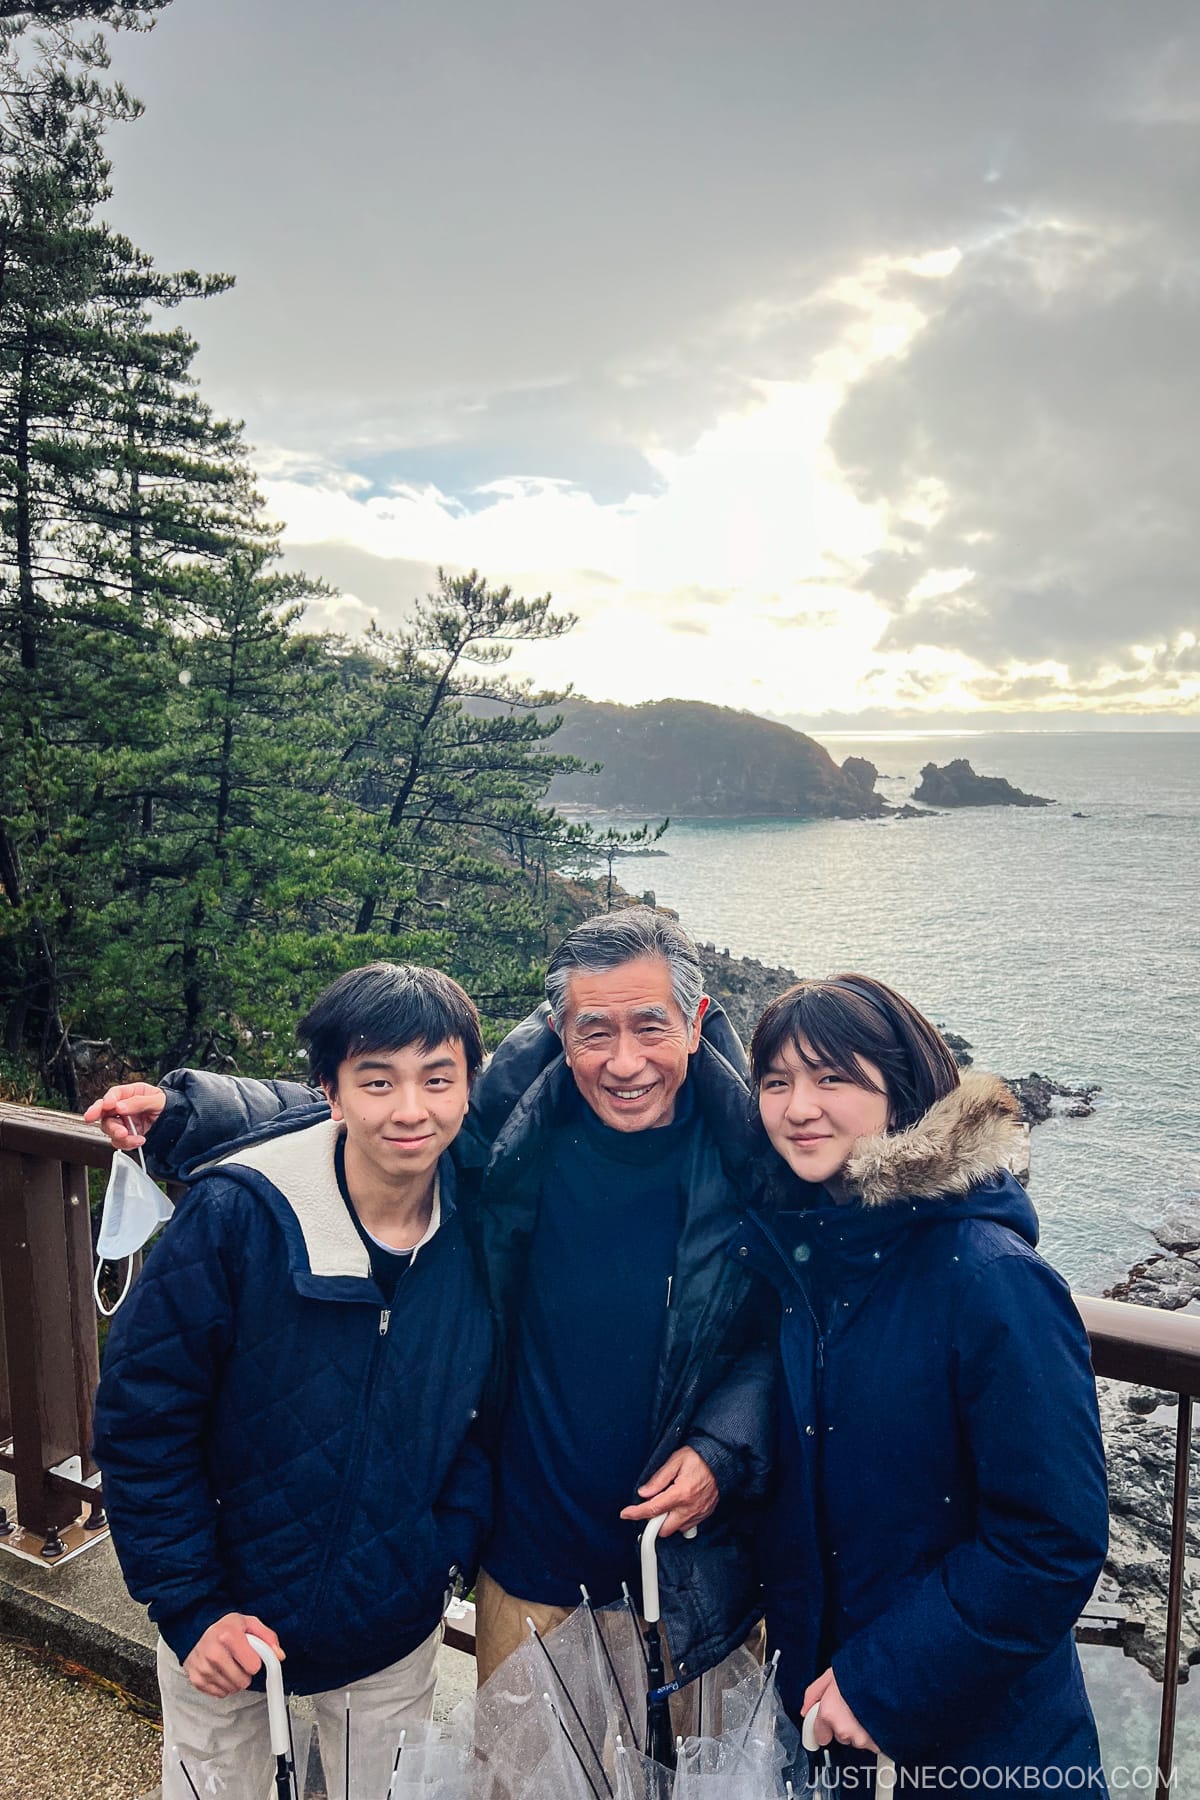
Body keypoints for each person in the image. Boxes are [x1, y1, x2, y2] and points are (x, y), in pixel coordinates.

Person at [87, 908, 772, 1688]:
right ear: (557, 1031)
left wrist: (726, 1444)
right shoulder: (511, 1132)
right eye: (594, 1032)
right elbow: (380, 1102)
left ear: (696, 1021)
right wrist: (188, 1113)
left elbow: (803, 1325)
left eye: (650, 1028)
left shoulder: (757, 1158)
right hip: (529, 1566)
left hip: (691, 1570)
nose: (624, 1062)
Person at [91, 964, 494, 1800]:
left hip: (391, 1620)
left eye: (437, 1079)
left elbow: (485, 1414)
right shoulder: (240, 1215)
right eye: (377, 1080)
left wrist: (437, 1552)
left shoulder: (485, 1225)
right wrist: (191, 1607)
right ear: (331, 1093)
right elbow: (143, 1419)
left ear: (468, 1090)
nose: (410, 1108)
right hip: (226, 1622)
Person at [739, 974, 1108, 1794]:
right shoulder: (814, 1257)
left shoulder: (990, 1278)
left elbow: (1053, 1541)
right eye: (776, 1081)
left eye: (833, 1077)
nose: (800, 1107)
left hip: (984, 1745)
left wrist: (886, 1682)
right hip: (837, 1724)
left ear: (900, 1092)